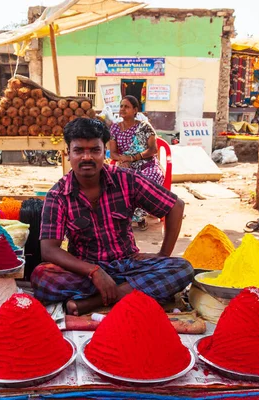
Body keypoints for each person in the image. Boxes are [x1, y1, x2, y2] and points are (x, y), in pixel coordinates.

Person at [31, 118, 192, 316]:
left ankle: (97, 300)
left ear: (104, 151)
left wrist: (163, 255)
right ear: (68, 153)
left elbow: (176, 206)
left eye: (94, 150)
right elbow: (49, 250)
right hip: (84, 271)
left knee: (182, 268)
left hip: (129, 264)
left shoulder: (126, 179)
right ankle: (132, 291)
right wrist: (94, 271)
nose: (87, 157)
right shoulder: (57, 195)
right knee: (41, 277)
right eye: (79, 150)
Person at [109, 95, 163, 230]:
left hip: (147, 164)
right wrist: (122, 159)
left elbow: (153, 149)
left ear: (135, 110)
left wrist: (133, 158)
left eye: (126, 107)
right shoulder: (115, 128)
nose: (122, 109)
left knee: (150, 179)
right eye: (121, 106)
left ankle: (139, 216)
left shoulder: (144, 126)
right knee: (115, 181)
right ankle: (124, 216)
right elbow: (113, 152)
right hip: (125, 165)